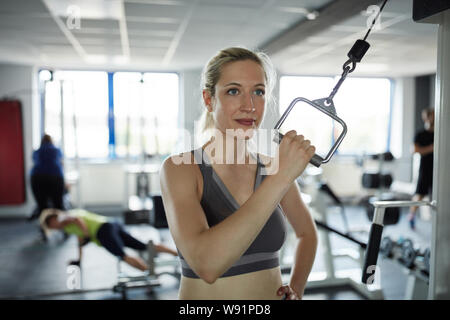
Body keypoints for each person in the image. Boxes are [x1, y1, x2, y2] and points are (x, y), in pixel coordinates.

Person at [160, 47, 318, 300]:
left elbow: (307, 233)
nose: (250, 106)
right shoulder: (180, 168)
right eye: (234, 91)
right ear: (209, 99)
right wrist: (280, 178)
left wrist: (297, 288)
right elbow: (207, 265)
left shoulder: (274, 168)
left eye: (259, 92)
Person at [39, 208, 178, 272]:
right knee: (141, 246)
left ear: (53, 218)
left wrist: (87, 235)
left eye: (52, 224)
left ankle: (149, 274)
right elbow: (80, 241)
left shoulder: (65, 217)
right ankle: (178, 255)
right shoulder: (68, 228)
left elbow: (77, 220)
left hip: (103, 231)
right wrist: (79, 260)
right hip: (111, 225)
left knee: (122, 256)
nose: (54, 226)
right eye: (51, 227)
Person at [408, 108, 434, 230]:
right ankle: (412, 216)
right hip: (425, 168)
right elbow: (414, 150)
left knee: (437, 195)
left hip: (439, 169)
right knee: (419, 194)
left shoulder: (440, 133)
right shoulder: (420, 134)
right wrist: (431, 148)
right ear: (426, 118)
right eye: (430, 116)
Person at [29, 134, 66, 221]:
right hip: (55, 177)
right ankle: (60, 226)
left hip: (37, 177)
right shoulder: (57, 150)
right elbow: (61, 162)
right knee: (58, 204)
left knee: (42, 206)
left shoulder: (37, 151)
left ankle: (44, 228)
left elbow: (35, 161)